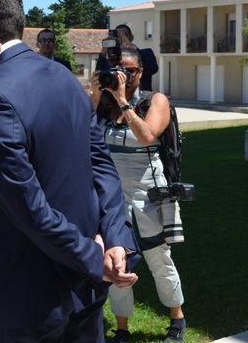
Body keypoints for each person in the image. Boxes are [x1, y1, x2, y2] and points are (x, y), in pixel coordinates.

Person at [0, 0, 140, 343]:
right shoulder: (65, 78)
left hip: (31, 292)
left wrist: (93, 256)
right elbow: (103, 169)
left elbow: (28, 206)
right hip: (86, 285)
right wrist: (116, 240)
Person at [90, 44, 186, 343]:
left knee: (159, 259)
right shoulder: (104, 104)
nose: (122, 76)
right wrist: (96, 95)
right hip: (112, 197)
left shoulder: (153, 100)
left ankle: (177, 319)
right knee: (118, 259)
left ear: (141, 72)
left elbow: (146, 135)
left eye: (129, 71)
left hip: (147, 194)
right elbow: (83, 130)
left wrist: (123, 101)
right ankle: (121, 327)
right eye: (117, 71)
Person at [97, 24, 158, 91]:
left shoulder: (146, 53)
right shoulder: (112, 59)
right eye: (118, 36)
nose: (121, 39)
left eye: (125, 35)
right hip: (114, 98)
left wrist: (131, 47)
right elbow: (98, 74)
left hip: (139, 97)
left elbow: (152, 69)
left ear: (131, 37)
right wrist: (104, 51)